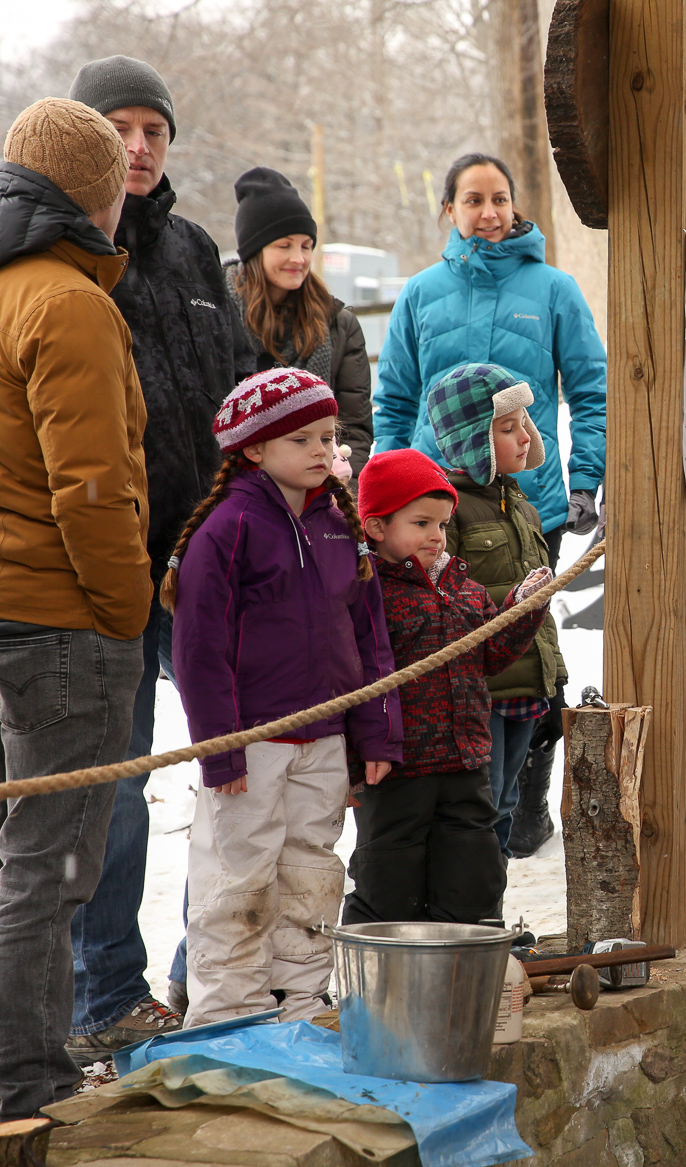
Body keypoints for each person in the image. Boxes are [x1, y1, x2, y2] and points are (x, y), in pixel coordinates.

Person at [66, 54, 246, 1060]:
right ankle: (107, 996)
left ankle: (208, 973)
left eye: (154, 130)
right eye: (120, 128)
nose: (139, 148)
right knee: (115, 790)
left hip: (210, 560)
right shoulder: (60, 255)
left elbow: (240, 388)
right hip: (104, 574)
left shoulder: (192, 250)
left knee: (250, 764)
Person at [374, 151, 606, 860]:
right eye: (472, 199)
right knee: (443, 659)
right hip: (433, 510)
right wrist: (389, 491)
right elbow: (394, 400)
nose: (489, 212)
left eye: (500, 198)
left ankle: (518, 788)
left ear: (516, 205)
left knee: (520, 652)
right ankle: (462, 797)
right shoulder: (420, 293)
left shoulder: (554, 289)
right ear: (449, 210)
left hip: (527, 506)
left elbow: (591, 387)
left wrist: (584, 478)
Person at [164, 369, 401, 1027]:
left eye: (327, 435)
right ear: (253, 449)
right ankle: (226, 1014)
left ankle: (300, 1002)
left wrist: (376, 730)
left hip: (323, 737)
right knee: (238, 878)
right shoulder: (226, 528)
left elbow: (369, 633)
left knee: (311, 872)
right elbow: (198, 649)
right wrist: (221, 748)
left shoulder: (339, 524)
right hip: (251, 743)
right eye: (301, 438)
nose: (322, 450)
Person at [0, 98, 150, 1118]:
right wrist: (127, 607)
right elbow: (92, 485)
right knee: (46, 868)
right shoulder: (68, 302)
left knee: (23, 860)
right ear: (93, 195)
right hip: (61, 616)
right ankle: (25, 1081)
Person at [344, 449, 552, 925]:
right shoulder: (365, 589)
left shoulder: (463, 587)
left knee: (474, 878)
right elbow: (352, 681)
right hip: (396, 771)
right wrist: (354, 760)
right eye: (421, 523)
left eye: (441, 524)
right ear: (376, 527)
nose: (436, 537)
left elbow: (491, 659)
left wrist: (524, 609)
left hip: (465, 763)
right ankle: (378, 987)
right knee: (388, 882)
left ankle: (461, 979)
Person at [424, 362, 568, 855]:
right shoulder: (447, 513)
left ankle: (492, 911)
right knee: (480, 807)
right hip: (479, 690)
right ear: (471, 440)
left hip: (524, 681)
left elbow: (538, 608)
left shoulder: (523, 506)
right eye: (507, 429)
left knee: (505, 801)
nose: (525, 437)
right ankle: (473, 915)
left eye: (525, 424)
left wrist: (554, 677)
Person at [227, 167, 372, 480]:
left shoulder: (338, 325)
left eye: (307, 246)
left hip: (318, 491)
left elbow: (354, 427)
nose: (299, 258)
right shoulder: (216, 315)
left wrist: (335, 485)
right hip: (237, 490)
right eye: (285, 245)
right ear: (254, 251)